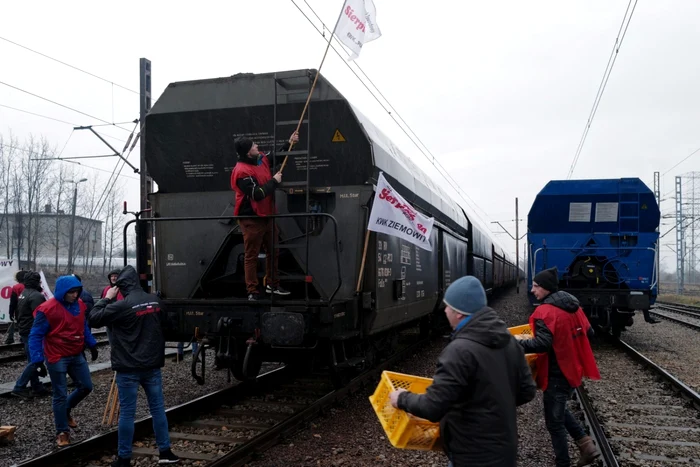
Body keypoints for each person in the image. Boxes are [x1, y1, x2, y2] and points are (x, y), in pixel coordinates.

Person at [388, 276, 537, 467]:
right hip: (504, 451)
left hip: (471, 455)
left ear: (459, 313)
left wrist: (401, 398)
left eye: (447, 306)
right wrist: (492, 405)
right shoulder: (510, 342)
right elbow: (527, 391)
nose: (445, 311)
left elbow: (433, 408)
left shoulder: (459, 351)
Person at [88, 265, 180, 466]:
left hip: (128, 368)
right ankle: (165, 452)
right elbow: (169, 326)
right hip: (152, 366)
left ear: (121, 286)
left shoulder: (121, 306)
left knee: (128, 413)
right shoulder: (156, 301)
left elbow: (93, 318)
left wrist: (108, 297)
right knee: (157, 409)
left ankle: (124, 458)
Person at [517, 266, 601, 467]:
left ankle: (563, 463)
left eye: (536, 286)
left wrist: (515, 342)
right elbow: (589, 334)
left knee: (554, 423)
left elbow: (542, 345)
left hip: (557, 372)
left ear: (545, 288)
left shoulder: (544, 312)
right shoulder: (574, 306)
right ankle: (586, 445)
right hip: (572, 368)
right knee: (559, 409)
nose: (532, 290)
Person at [28, 274, 99, 447]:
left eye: (77, 292)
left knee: (86, 386)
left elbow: (83, 326)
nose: (75, 295)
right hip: (56, 356)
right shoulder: (47, 309)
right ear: (62, 292)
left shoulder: (80, 305)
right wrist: (37, 360)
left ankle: (65, 411)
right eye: (71, 292)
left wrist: (92, 344)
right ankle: (62, 431)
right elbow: (35, 335)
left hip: (75, 354)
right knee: (59, 394)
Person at [231, 131, 299, 300]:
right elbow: (257, 194)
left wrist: (289, 142)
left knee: (273, 250)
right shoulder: (241, 172)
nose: (257, 146)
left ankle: (272, 285)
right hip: (251, 218)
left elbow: (274, 157)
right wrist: (274, 181)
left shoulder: (259, 158)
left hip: (267, 215)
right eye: (254, 146)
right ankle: (252, 291)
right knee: (251, 255)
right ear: (248, 152)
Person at [11, 271, 50, 398]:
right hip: (32, 332)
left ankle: (36, 386)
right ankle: (19, 387)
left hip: (25, 329)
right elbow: (41, 316)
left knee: (32, 359)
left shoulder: (24, 293)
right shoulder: (36, 296)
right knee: (35, 360)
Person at [4, 270, 27, 345]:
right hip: (29, 310)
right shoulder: (31, 286)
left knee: (20, 324)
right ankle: (23, 339)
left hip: (19, 310)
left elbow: (13, 302)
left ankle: (15, 338)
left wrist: (11, 312)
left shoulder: (16, 287)